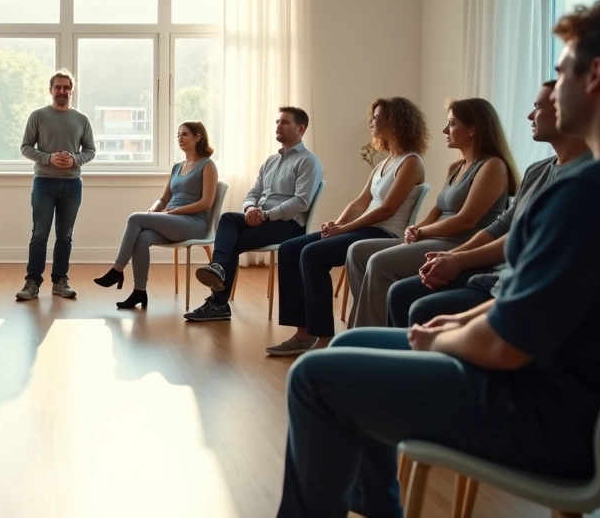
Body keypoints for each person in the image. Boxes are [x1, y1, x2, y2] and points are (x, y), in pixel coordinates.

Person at [274, 0, 600, 518]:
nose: (550, 95)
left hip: (554, 417)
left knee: (315, 380)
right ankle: (377, 505)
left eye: (561, 72)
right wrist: (461, 318)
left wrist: (442, 336)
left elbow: (504, 347)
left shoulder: (592, 191)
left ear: (595, 75)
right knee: (355, 341)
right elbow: (548, 302)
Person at [386, 82, 592, 328]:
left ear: (566, 109)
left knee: (419, 305)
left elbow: (519, 237)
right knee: (399, 293)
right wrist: (453, 256)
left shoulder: (586, 175)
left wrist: (458, 257)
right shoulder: (537, 170)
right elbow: (504, 224)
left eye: (537, 107)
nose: (529, 115)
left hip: (512, 279)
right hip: (494, 271)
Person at [266, 98, 428, 355]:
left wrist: (346, 228)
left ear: (395, 123)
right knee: (289, 249)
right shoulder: (383, 163)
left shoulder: (411, 162)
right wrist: (338, 223)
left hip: (383, 233)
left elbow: (387, 210)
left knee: (313, 254)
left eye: (377, 119)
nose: (371, 123)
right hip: (361, 228)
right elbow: (359, 202)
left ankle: (324, 339)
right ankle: (303, 333)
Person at [343, 98, 517, 329]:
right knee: (357, 251)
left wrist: (422, 231)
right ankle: (367, 325)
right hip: (436, 237)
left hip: (462, 242)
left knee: (380, 262)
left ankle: (368, 337)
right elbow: (438, 209)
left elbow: (466, 220)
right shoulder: (456, 168)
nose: (445, 130)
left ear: (473, 129)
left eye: (452, 124)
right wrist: (414, 230)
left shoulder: (493, 166)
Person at [185, 107, 323, 322]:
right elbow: (254, 192)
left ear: (301, 128)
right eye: (277, 121)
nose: (278, 125)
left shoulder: (308, 161)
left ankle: (218, 303)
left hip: (288, 226)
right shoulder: (271, 161)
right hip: (261, 218)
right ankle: (218, 266)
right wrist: (250, 208)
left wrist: (266, 215)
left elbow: (301, 202)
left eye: (284, 122)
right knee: (229, 218)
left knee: (234, 240)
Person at [94, 122, 219, 309]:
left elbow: (206, 203)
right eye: (178, 135)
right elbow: (164, 198)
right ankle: (139, 292)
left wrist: (176, 212)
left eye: (185, 134)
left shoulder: (207, 165)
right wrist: (153, 210)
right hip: (173, 219)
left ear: (198, 136)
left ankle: (117, 270)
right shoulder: (177, 167)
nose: (180, 138)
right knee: (143, 237)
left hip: (194, 223)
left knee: (135, 218)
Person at [16, 69, 96, 301]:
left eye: (66, 87)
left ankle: (60, 280)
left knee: (65, 235)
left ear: (72, 90)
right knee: (39, 234)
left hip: (72, 185)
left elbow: (90, 150)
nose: (61, 91)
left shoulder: (81, 119)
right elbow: (25, 147)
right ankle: (32, 282)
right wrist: (48, 158)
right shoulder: (38, 116)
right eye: (57, 87)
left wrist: (75, 159)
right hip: (43, 183)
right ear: (50, 90)